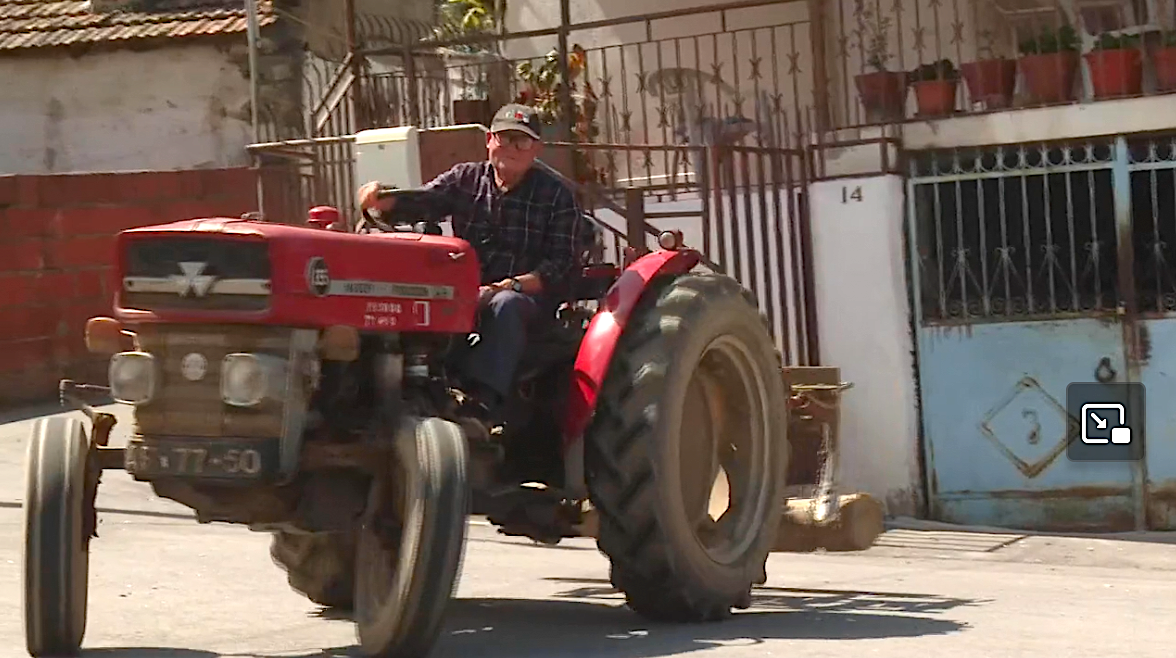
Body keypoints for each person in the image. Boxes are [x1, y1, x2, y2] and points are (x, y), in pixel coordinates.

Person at [356, 103, 593, 424]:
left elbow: (562, 266)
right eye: (504, 138)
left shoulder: (556, 196)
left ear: (536, 148)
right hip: (468, 290)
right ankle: (402, 388)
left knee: (505, 304)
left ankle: (483, 404)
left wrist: (510, 285)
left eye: (521, 141)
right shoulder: (466, 178)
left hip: (528, 298)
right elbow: (427, 199)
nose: (511, 148)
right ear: (489, 140)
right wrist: (385, 199)